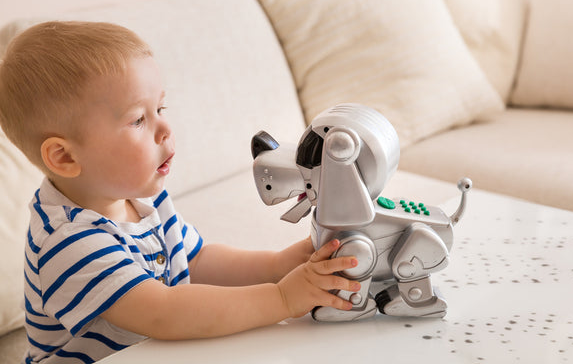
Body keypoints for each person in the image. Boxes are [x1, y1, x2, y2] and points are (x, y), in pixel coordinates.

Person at [0, 21, 360, 364]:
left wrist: (277, 265)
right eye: (138, 120)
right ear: (64, 157)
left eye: (160, 108)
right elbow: (165, 313)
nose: (165, 129)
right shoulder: (68, 242)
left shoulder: (141, 196)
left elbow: (197, 260)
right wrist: (281, 298)